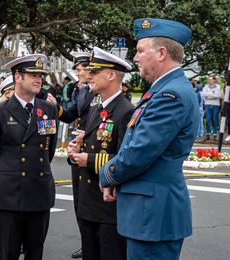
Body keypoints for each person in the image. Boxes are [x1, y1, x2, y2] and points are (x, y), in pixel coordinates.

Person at [99, 18, 199, 260]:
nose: (135, 57)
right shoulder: (162, 90)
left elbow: (139, 152)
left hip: (153, 216)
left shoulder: (169, 94)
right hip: (149, 215)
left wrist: (107, 174)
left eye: (141, 50)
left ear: (162, 53)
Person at [0, 54, 58, 260]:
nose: (39, 79)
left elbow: (48, 150)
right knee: (9, 253)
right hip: (10, 196)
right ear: (18, 77)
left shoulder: (49, 109)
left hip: (39, 193)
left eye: (41, 75)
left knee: (36, 253)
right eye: (33, 74)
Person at [67, 47, 133, 260]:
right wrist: (75, 152)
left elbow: (127, 159)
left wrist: (89, 159)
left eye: (95, 71)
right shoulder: (96, 109)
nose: (89, 75)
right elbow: (89, 146)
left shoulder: (126, 111)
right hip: (87, 205)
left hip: (108, 209)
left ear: (112, 75)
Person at [46, 51, 95, 259]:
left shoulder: (96, 90)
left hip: (91, 147)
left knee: (91, 199)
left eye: (80, 69)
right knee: (79, 200)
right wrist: (54, 106)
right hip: (79, 147)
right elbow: (69, 114)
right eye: (76, 69)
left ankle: (92, 244)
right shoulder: (80, 90)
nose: (77, 72)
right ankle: (87, 243)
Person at [202, 76, 222, 141]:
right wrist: (212, 94)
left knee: (215, 120)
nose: (209, 81)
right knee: (207, 120)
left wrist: (209, 95)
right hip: (208, 105)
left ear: (214, 80)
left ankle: (215, 135)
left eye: (210, 79)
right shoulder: (205, 86)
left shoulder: (219, 87)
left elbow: (218, 95)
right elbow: (203, 94)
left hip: (215, 105)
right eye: (209, 79)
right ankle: (207, 134)